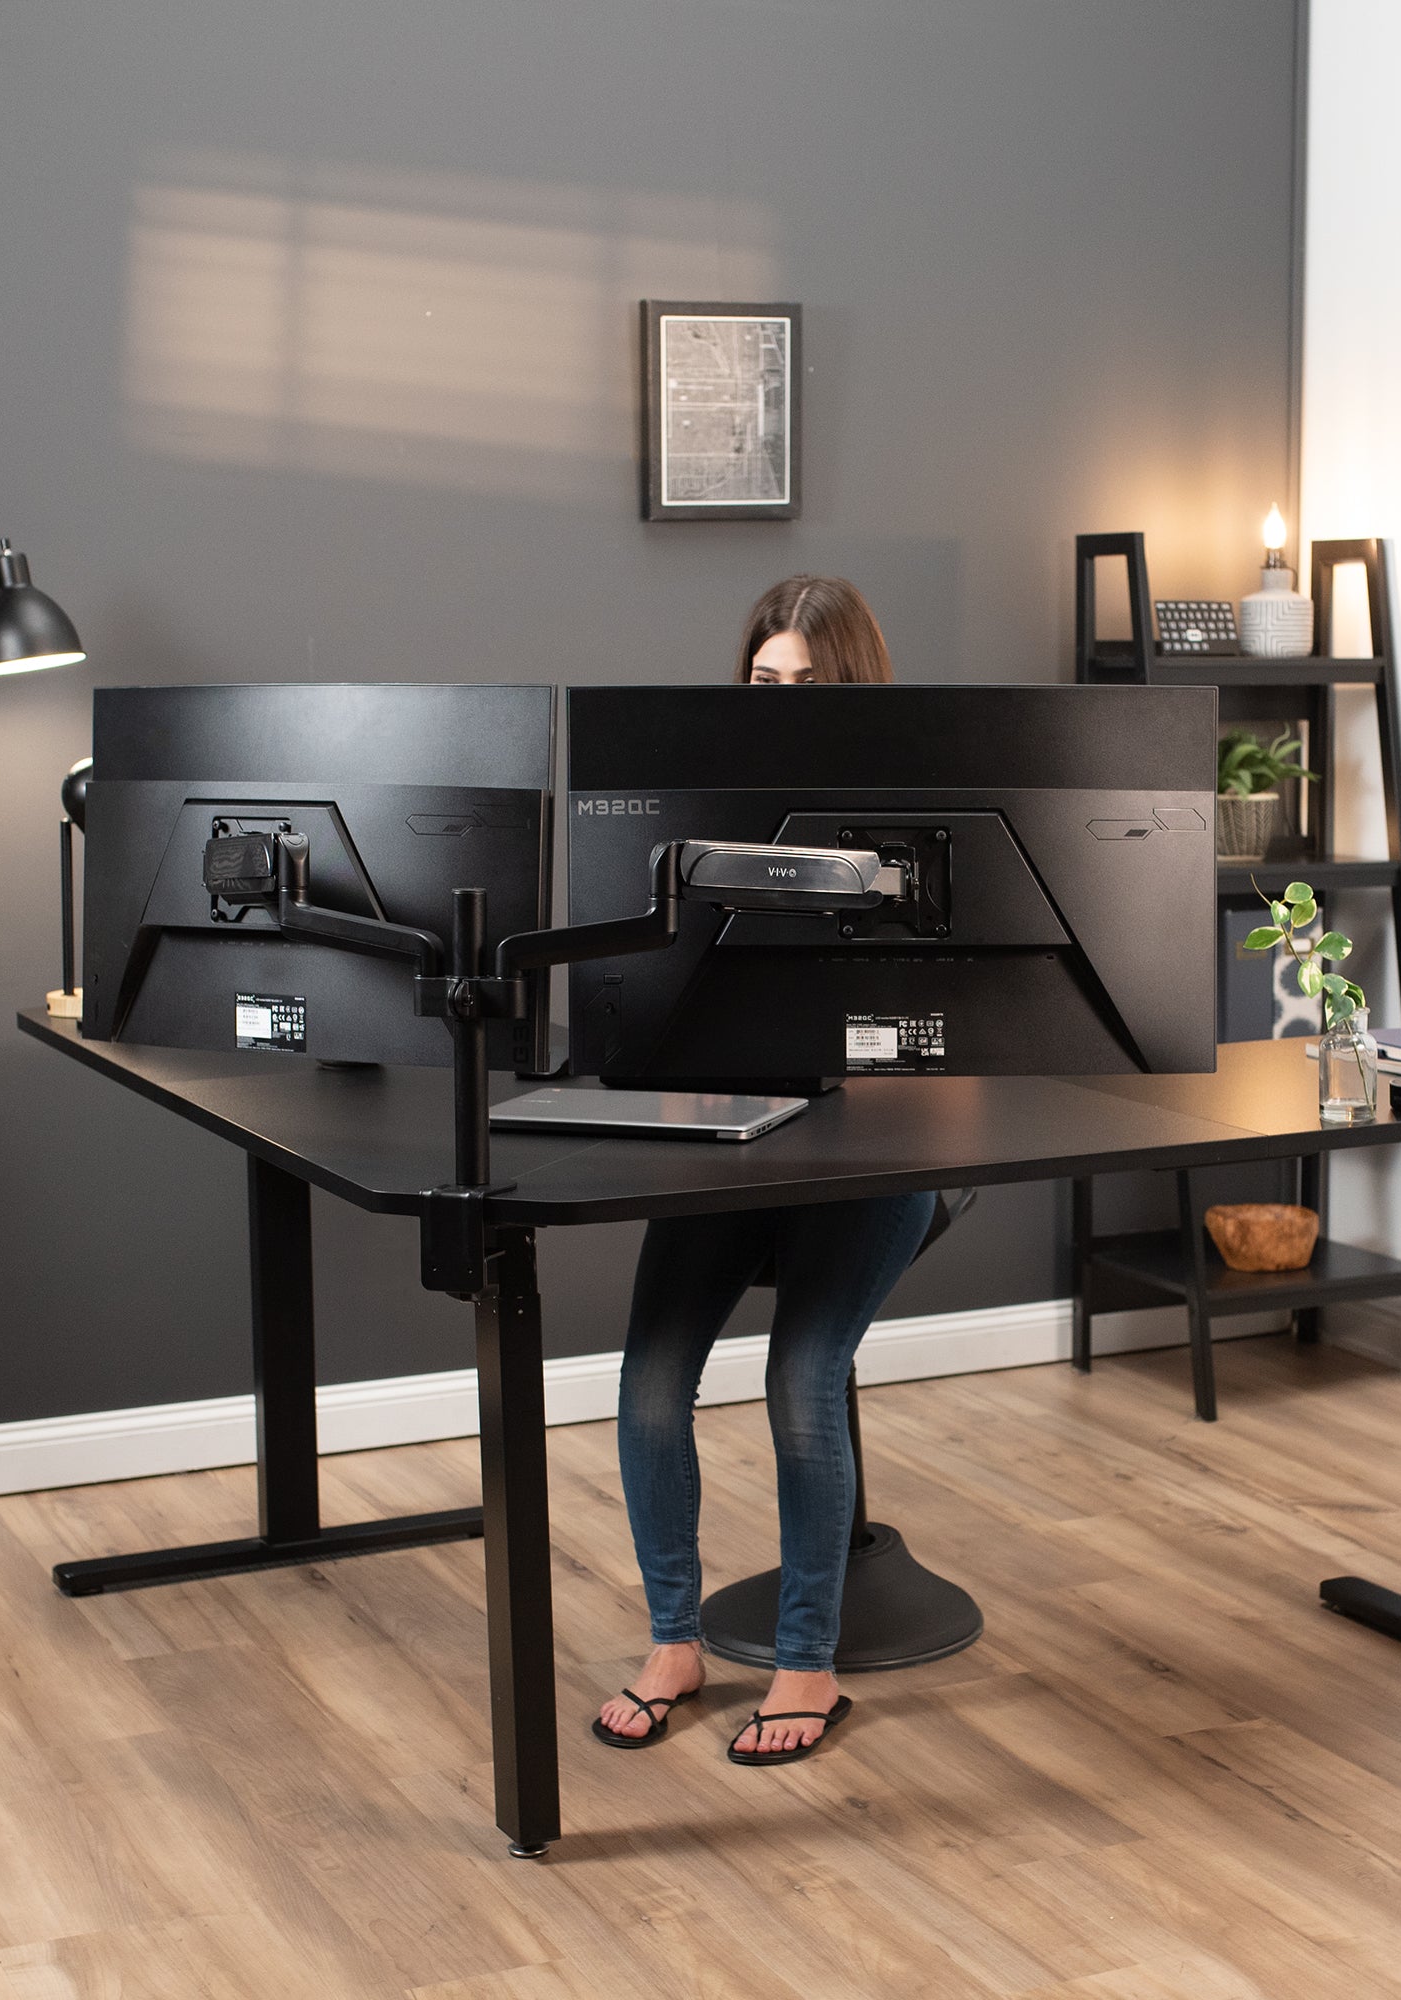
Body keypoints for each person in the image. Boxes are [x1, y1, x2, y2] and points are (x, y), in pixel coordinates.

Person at [593, 576, 933, 1766]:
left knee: (801, 1375)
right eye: (762, 680)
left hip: (881, 1142)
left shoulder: (921, 812)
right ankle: (674, 1642)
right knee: (646, 1384)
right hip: (730, 1127)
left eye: (809, 683)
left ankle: (805, 1661)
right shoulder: (697, 805)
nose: (781, 703)